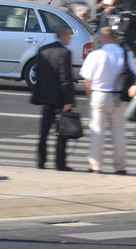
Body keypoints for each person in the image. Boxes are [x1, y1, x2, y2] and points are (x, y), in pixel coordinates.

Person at [80, 27, 136, 174]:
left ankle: (96, 166)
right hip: (118, 97)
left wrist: (89, 94)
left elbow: (87, 79)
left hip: (99, 95)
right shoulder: (126, 54)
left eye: (100, 38)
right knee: (118, 132)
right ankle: (120, 166)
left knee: (97, 132)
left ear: (104, 38)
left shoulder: (96, 55)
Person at [30, 26, 75, 171]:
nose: (70, 39)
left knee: (44, 131)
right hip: (60, 98)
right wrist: (69, 100)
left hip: (45, 97)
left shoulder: (43, 50)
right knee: (62, 132)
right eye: (69, 36)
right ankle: (59, 163)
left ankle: (41, 161)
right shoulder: (65, 52)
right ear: (63, 35)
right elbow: (65, 78)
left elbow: (38, 74)